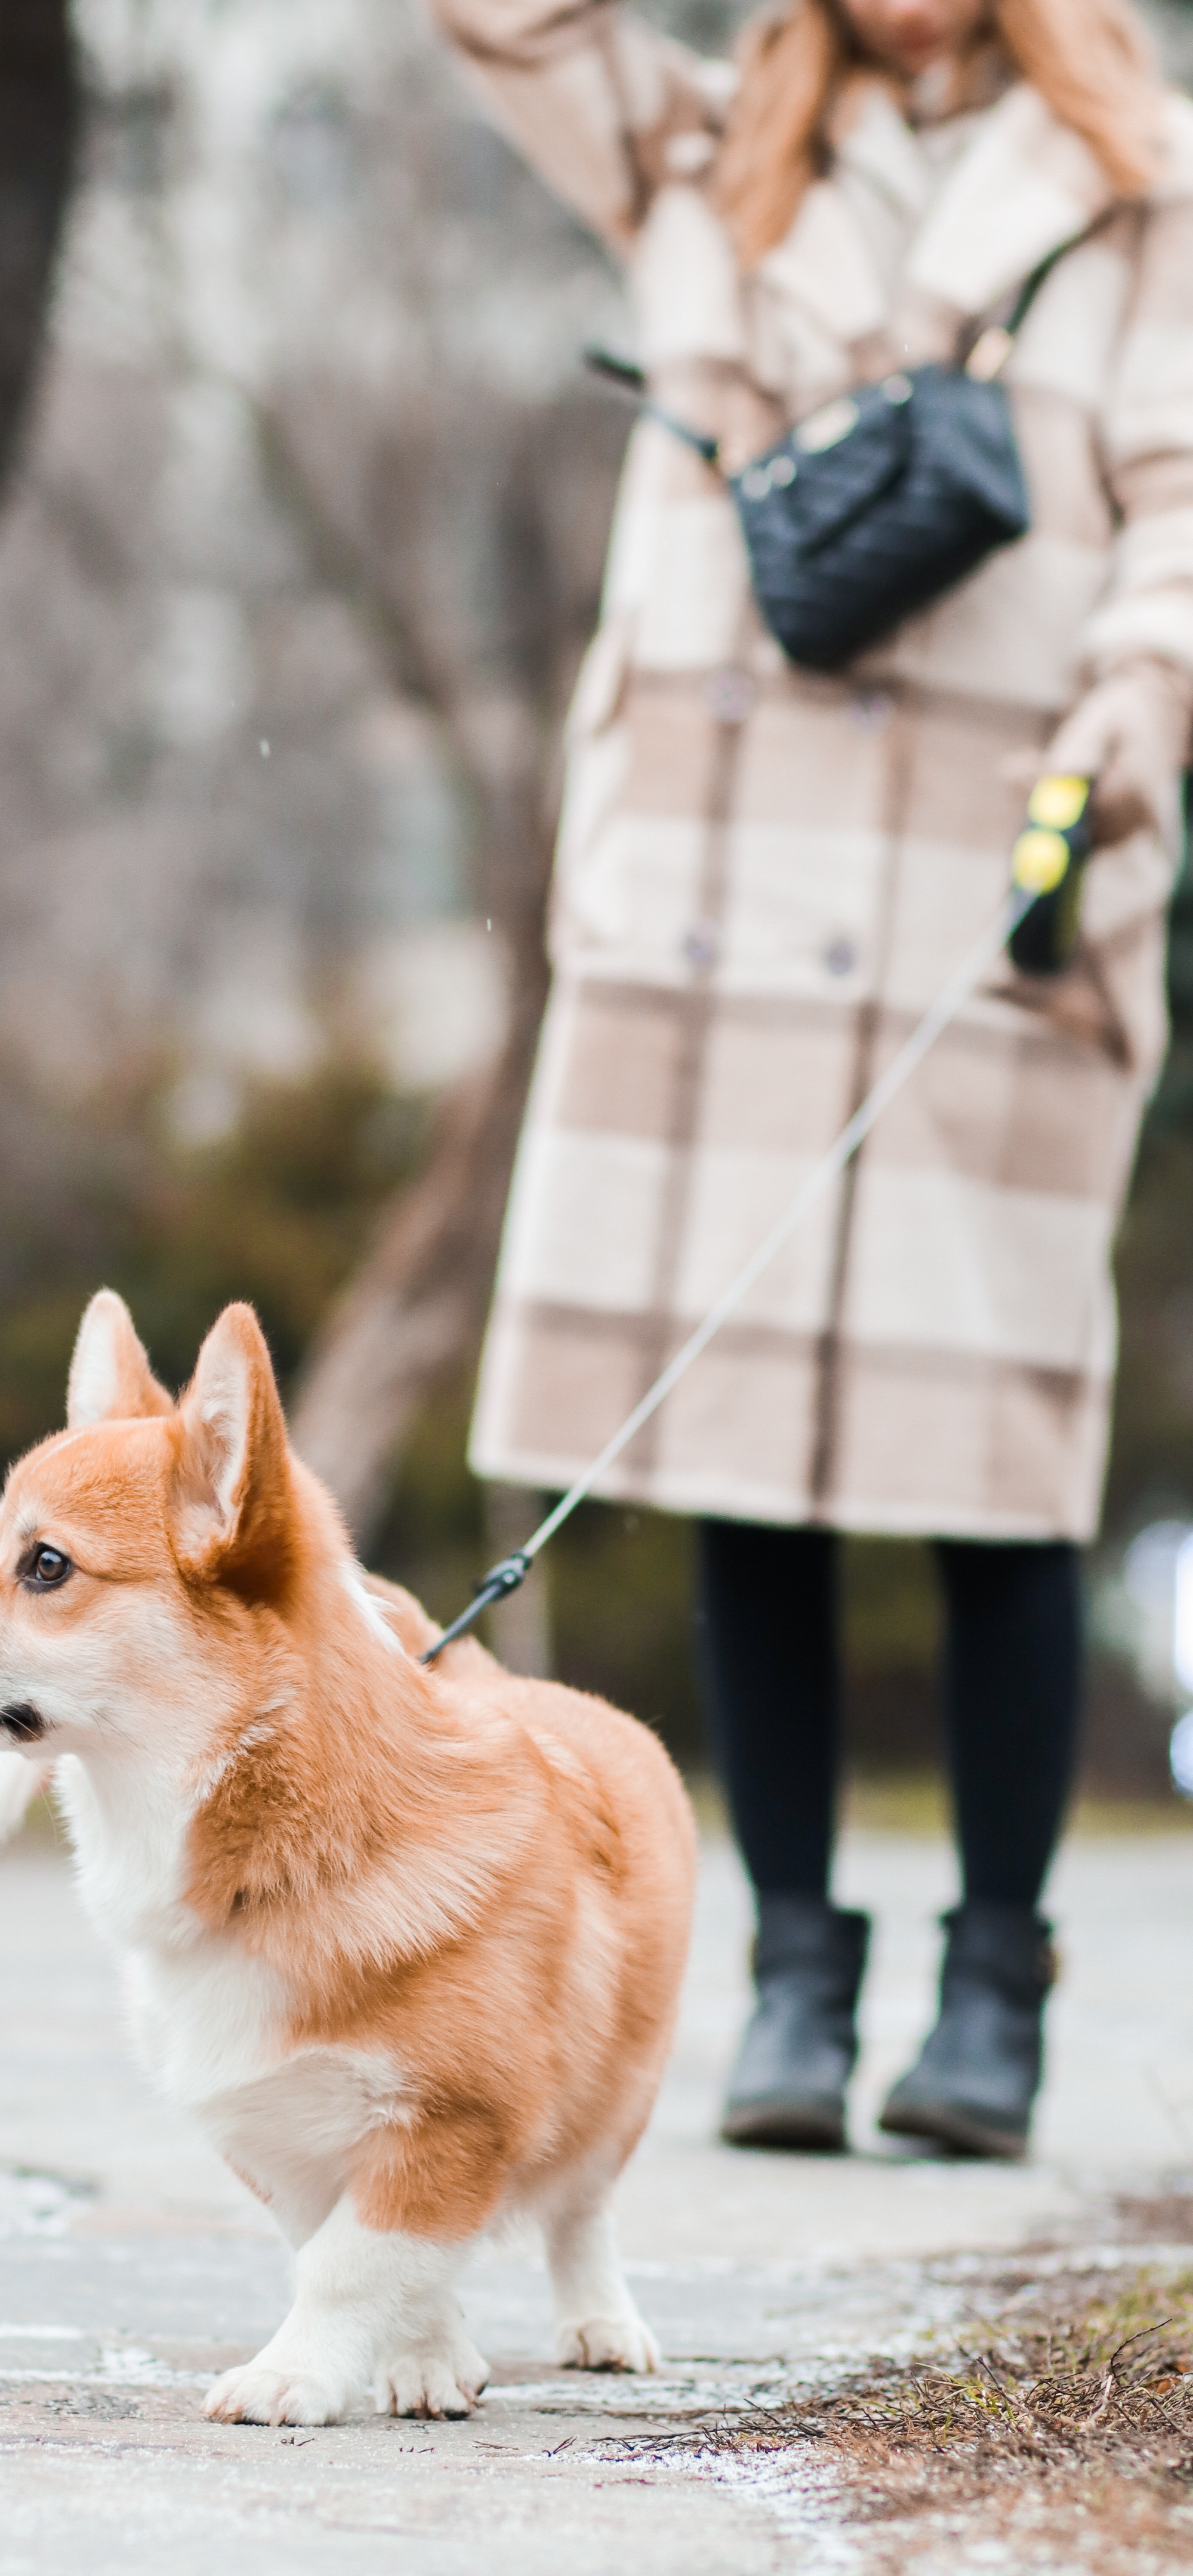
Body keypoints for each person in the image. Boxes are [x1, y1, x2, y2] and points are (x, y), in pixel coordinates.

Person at [430, 0, 1193, 2157]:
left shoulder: (1142, 178)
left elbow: (1181, 503)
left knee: (996, 1463)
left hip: (1002, 858)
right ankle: (788, 1968)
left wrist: (1143, 706)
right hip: (720, 892)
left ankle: (993, 1991)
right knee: (735, 1447)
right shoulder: (693, 145)